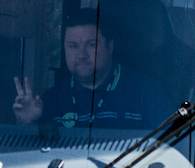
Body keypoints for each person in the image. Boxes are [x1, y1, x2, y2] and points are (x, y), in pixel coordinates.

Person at [13, 9, 174, 129]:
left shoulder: (146, 93)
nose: (81, 55)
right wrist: (30, 123)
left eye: (91, 45)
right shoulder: (50, 101)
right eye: (73, 46)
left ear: (109, 47)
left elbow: (173, 149)